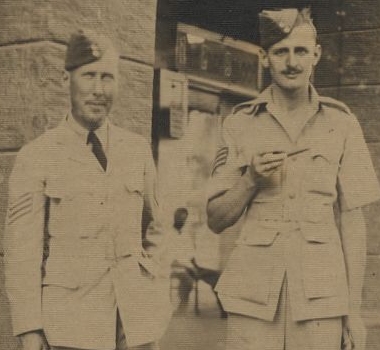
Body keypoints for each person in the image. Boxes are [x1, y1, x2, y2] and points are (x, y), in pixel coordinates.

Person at [207, 8, 380, 350]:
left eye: (301, 51)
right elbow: (215, 218)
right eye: (280, 51)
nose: (291, 62)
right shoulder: (239, 123)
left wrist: (354, 312)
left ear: (316, 54)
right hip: (253, 299)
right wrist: (250, 181)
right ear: (264, 57)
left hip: (322, 300)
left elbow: (353, 222)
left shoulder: (342, 124)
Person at [4, 29, 171, 350]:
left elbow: (157, 230)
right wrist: (29, 328)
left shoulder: (136, 150)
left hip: (135, 323)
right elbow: (22, 253)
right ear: (66, 81)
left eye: (107, 77)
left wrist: (154, 294)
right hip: (70, 323)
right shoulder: (37, 155)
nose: (98, 90)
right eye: (89, 76)